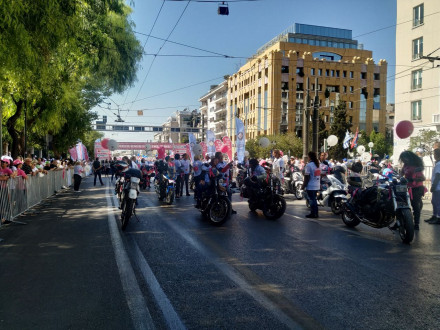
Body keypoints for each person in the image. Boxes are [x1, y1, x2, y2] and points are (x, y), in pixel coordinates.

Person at [399, 150, 426, 230]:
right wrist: (400, 177)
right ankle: (400, 222)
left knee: (415, 206)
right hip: (407, 187)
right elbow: (401, 173)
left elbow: (422, 178)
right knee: (402, 204)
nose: (403, 160)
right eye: (402, 159)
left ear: (408, 157)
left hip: (416, 188)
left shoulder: (417, 166)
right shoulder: (405, 165)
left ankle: (416, 223)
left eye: (404, 158)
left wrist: (413, 179)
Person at [302, 151, 321, 218]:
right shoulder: (318, 164)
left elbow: (307, 177)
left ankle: (313, 213)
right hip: (317, 185)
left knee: (312, 200)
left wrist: (303, 185)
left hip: (311, 185)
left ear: (309, 157)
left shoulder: (309, 165)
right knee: (314, 199)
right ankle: (316, 213)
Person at [427, 148, 440, 224]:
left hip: (438, 187)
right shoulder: (437, 163)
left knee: (438, 203)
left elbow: (438, 176)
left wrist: (434, 186)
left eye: (434, 154)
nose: (434, 156)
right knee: (434, 202)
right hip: (436, 187)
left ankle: (438, 217)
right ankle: (434, 216)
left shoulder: (439, 164)